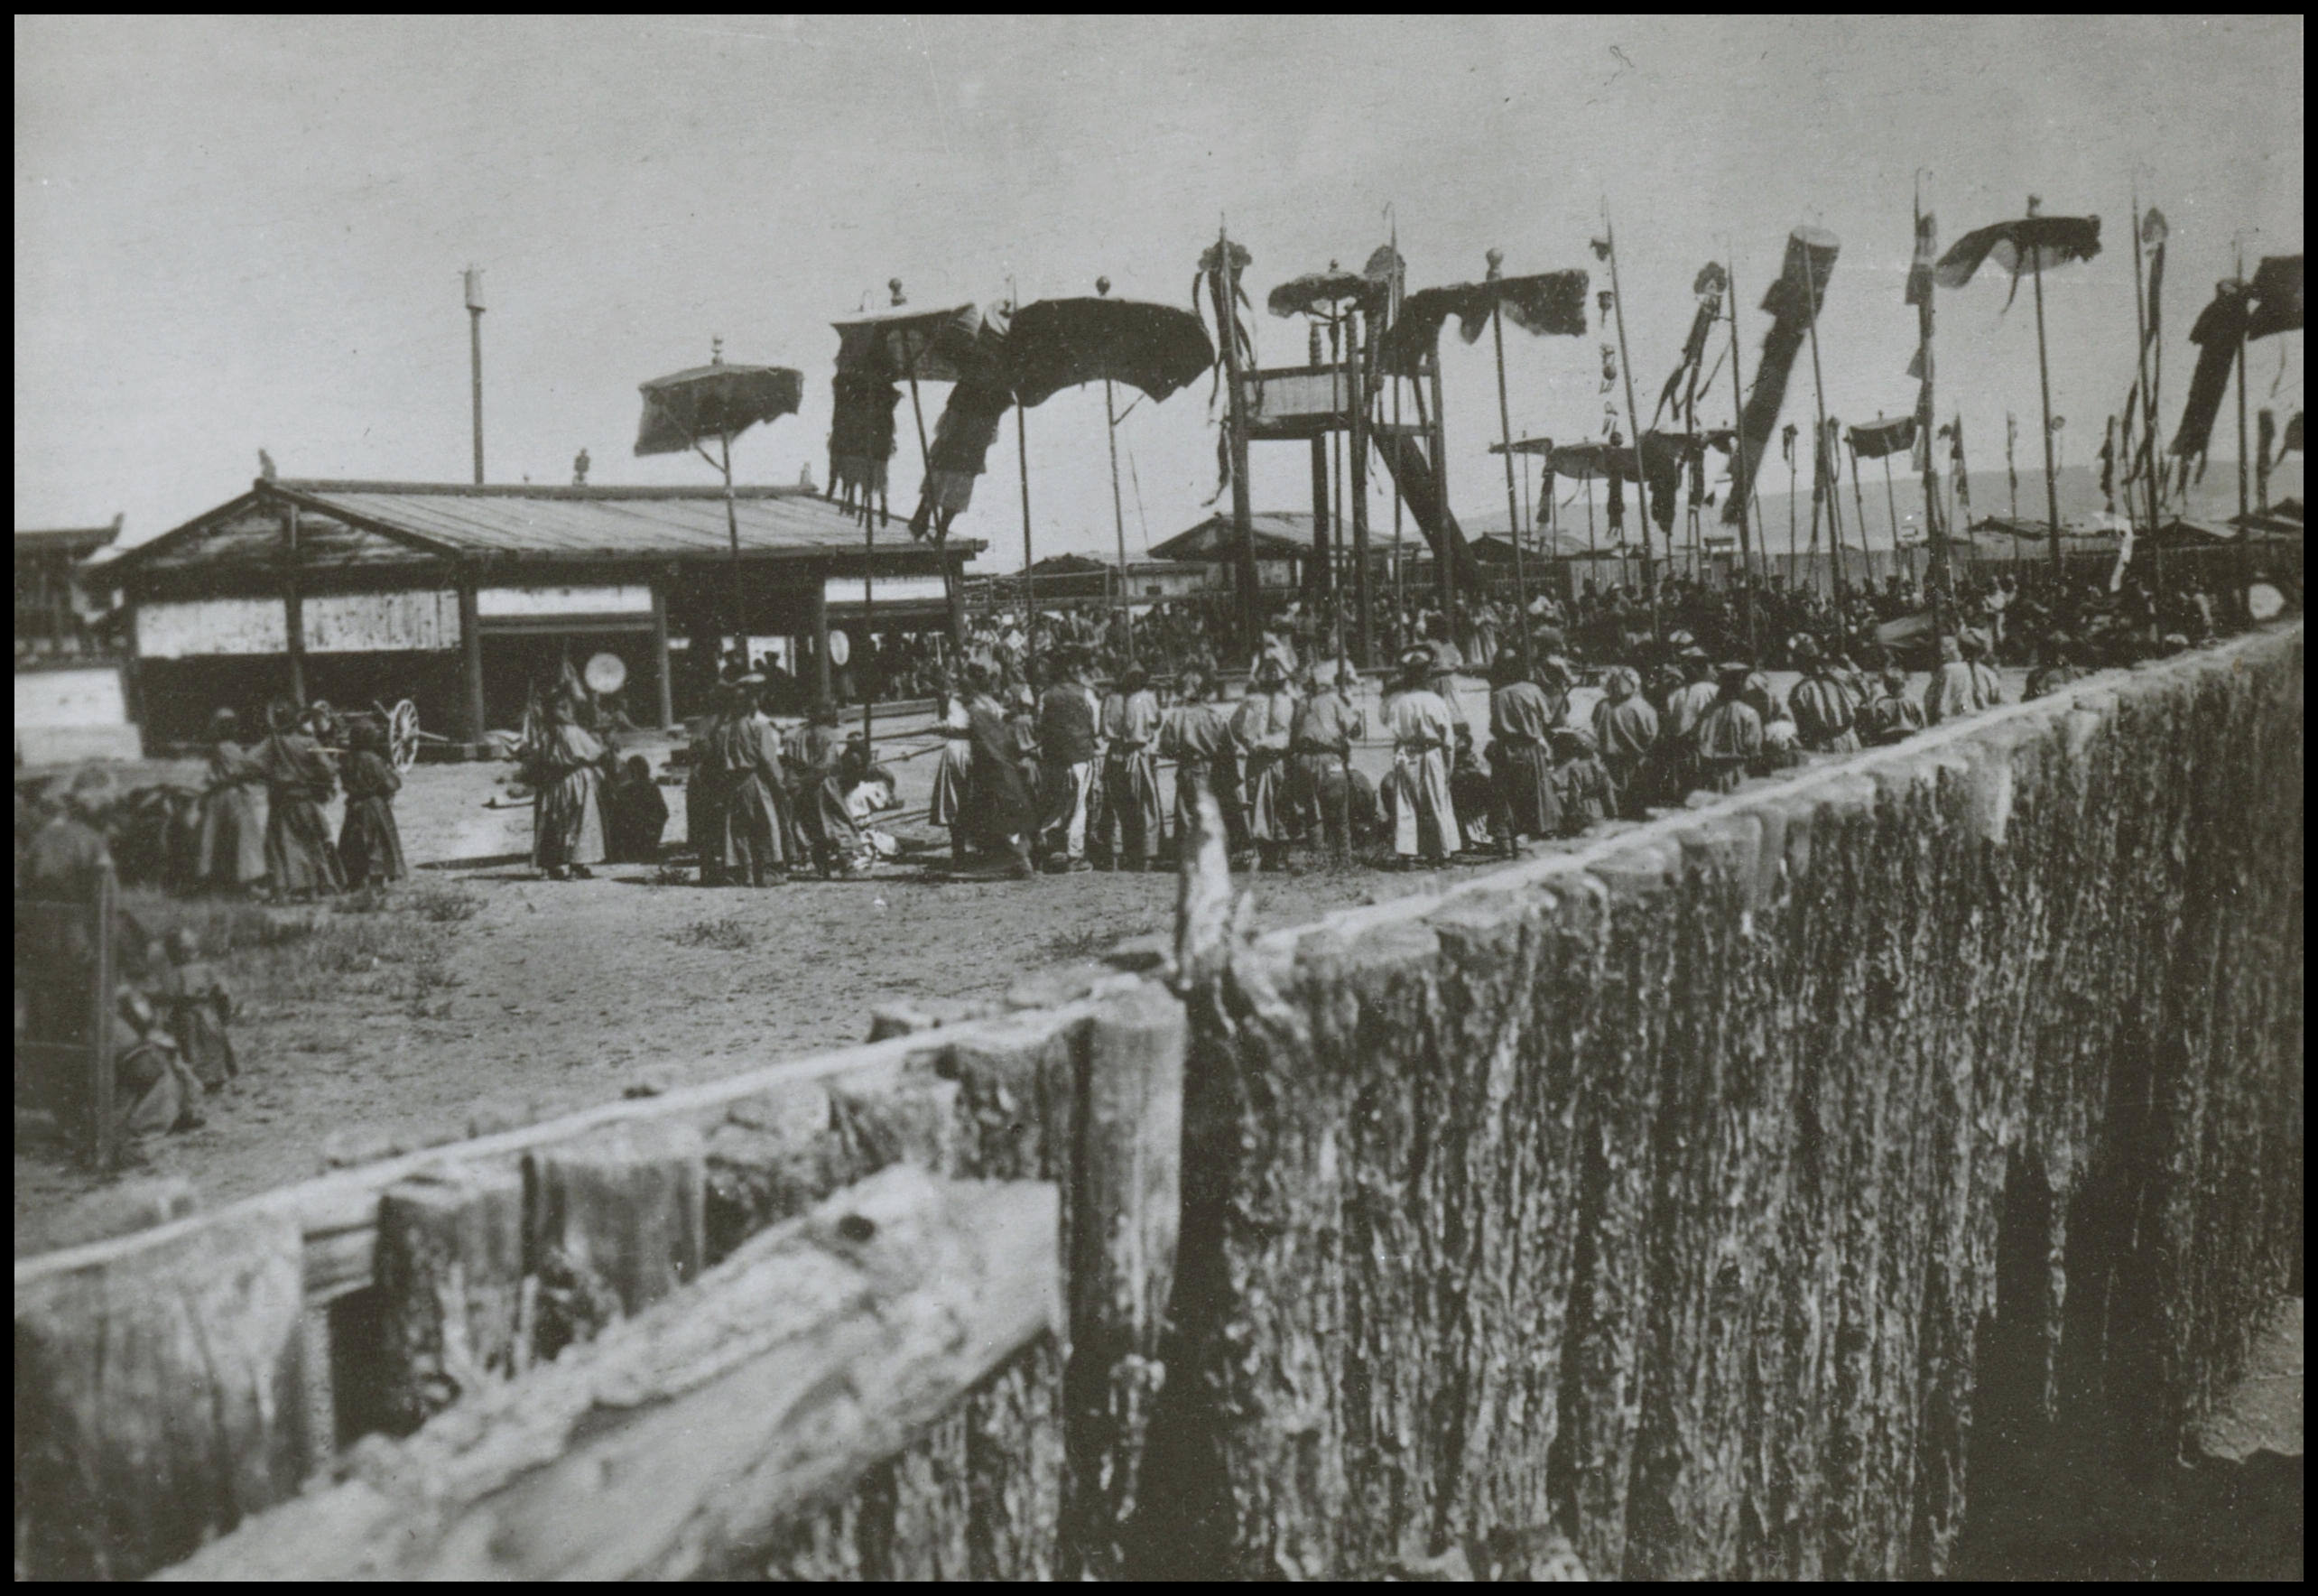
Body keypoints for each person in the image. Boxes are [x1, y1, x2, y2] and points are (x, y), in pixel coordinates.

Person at [253, 698, 344, 898]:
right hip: (306, 800)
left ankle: (282, 890)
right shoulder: (309, 743)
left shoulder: (272, 743)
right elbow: (329, 769)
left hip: (280, 801)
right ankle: (315, 890)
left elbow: (251, 763)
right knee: (310, 843)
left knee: (280, 845)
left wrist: (269, 775)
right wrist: (320, 784)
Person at [1381, 648, 1461, 867]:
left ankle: (1408, 856)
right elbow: (1448, 740)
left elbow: (1395, 733)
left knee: (1406, 802)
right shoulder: (1436, 702)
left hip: (1407, 753)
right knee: (1436, 801)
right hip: (1432, 754)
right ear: (1427, 675)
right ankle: (1443, 854)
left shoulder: (1401, 702)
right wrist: (1449, 766)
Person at [709, 680, 793, 887]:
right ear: (752, 703)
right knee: (766, 823)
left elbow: (717, 757)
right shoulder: (758, 727)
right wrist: (779, 784)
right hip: (756, 779)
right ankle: (768, 872)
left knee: (739, 828)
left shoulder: (723, 730)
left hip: (733, 782)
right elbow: (768, 758)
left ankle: (743, 873)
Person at [1158, 670, 1249, 861]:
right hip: (1212, 767)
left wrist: (1181, 754)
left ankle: (1191, 855)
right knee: (1215, 809)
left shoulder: (1175, 717)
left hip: (1187, 767)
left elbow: (1165, 747)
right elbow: (1227, 748)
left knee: (1187, 813)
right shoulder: (1213, 716)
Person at [528, 691, 612, 882]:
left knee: (551, 821)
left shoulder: (544, 735)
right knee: (579, 821)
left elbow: (533, 760)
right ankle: (576, 866)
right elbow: (595, 752)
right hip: (576, 778)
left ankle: (548, 867)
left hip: (552, 781)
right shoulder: (574, 732)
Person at [962, 667, 1037, 878]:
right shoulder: (988, 704)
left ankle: (1021, 860)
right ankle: (1015, 857)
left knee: (1006, 814)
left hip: (995, 767)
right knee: (1002, 814)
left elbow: (988, 741)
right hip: (997, 764)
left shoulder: (978, 709)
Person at [1486, 651, 1561, 857]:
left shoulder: (1498, 695)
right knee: (1537, 793)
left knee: (1504, 797)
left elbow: (1494, 727)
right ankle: (1540, 843)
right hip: (1531, 747)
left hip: (1507, 747)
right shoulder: (1533, 690)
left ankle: (1507, 846)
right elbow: (1547, 718)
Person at [1287, 660, 1364, 861]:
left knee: (1312, 811)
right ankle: (1344, 858)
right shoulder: (1334, 700)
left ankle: (1317, 856)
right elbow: (1355, 731)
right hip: (1330, 757)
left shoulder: (1302, 704)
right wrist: (1354, 713)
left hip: (1305, 759)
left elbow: (1294, 736)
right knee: (1340, 814)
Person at [1096, 661, 1164, 871]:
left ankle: (1116, 853)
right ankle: (1147, 855)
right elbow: (1156, 721)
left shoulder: (1110, 699)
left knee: (1116, 805)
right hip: (1138, 753)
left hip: (1115, 754)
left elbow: (1102, 728)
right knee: (1146, 804)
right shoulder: (1146, 698)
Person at [1037, 650, 1101, 872]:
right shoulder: (1085, 693)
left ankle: (1054, 849)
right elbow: (1097, 724)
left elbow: (1039, 725)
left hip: (1053, 758)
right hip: (1080, 755)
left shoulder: (1045, 695)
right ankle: (1074, 854)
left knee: (1056, 802)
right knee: (1078, 806)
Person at [153, 926, 236, 1093]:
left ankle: (206, 1079)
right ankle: (210, 1079)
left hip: (190, 1015)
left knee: (196, 1048)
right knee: (199, 1047)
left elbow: (164, 998)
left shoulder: (180, 973)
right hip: (201, 1014)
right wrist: (224, 1012)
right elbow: (221, 993)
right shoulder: (198, 970)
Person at [1233, 657, 1297, 870]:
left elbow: (1236, 728)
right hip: (1277, 759)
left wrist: (1251, 743)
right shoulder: (1289, 701)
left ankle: (1271, 855)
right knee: (1280, 805)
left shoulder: (1252, 702)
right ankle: (1279, 855)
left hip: (1263, 760)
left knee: (1263, 806)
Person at [195, 708, 267, 895]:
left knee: (222, 835)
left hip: (222, 794)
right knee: (242, 836)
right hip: (231, 794)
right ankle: (243, 880)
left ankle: (225, 878)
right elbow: (241, 770)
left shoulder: (223, 747)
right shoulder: (227, 748)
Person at [338, 718, 406, 889]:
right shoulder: (373, 759)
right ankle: (376, 882)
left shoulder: (348, 759)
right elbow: (390, 784)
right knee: (377, 843)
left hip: (354, 805)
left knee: (354, 841)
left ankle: (356, 879)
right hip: (374, 806)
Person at [1591, 665, 1657, 819]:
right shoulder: (1641, 706)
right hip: (1634, 762)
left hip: (1608, 761)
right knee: (1634, 803)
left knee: (1613, 801)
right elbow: (1651, 735)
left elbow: (1595, 727)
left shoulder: (1602, 706)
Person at [1690, 663, 1764, 795]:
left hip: (1711, 771)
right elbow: (1754, 746)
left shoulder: (1709, 710)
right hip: (1738, 771)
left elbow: (1697, 737)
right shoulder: (1748, 713)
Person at [929, 673, 978, 868]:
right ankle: (959, 850)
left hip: (969, 748)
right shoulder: (953, 702)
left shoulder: (974, 702)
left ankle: (972, 847)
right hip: (960, 748)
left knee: (970, 798)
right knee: (954, 800)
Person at [1786, 636, 1861, 754]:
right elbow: (1863, 698)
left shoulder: (1800, 690)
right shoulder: (1844, 679)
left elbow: (1801, 726)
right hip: (1849, 739)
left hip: (1823, 744)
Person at [1551, 725, 1614, 836]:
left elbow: (1574, 795)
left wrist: (1570, 813)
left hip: (1583, 810)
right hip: (1598, 808)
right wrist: (1613, 812)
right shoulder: (1600, 766)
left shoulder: (1576, 768)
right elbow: (1608, 792)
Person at [608, 754, 669, 863]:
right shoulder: (652, 787)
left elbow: (616, 818)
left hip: (632, 836)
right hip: (650, 836)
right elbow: (664, 813)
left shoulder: (625, 790)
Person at [1924, 634, 1980, 725]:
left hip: (1945, 712)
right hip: (1966, 709)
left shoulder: (1946, 669)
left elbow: (1930, 696)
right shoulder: (1965, 667)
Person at [1863, 666, 1925, 746]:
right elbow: (1921, 720)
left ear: (1886, 686)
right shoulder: (1912, 700)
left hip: (1890, 737)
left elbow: (1881, 723)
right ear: (1903, 684)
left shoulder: (1882, 703)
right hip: (1911, 734)